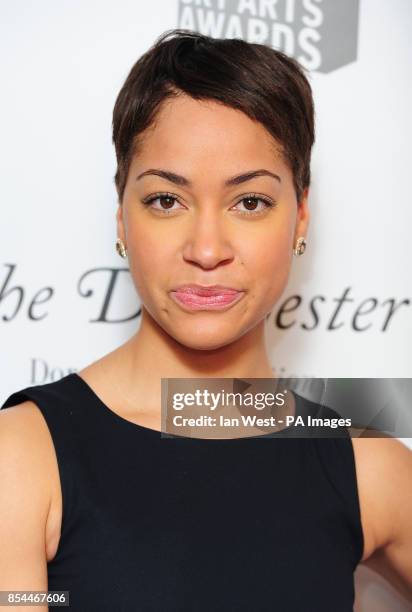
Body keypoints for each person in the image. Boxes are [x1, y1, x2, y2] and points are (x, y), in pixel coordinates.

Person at [1, 28, 411, 611]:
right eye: (166, 200)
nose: (207, 248)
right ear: (122, 218)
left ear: (300, 219)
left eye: (250, 202)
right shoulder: (22, 458)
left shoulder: (364, 466)